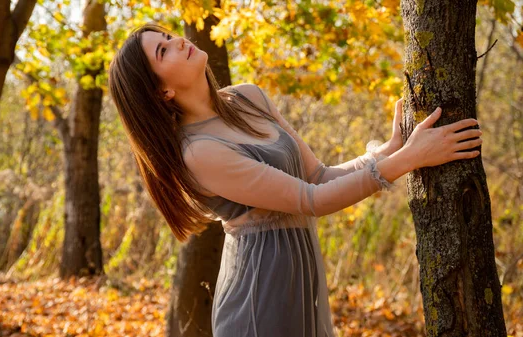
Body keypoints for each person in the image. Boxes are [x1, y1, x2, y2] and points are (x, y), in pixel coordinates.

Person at [107, 23, 482, 337]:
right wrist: (409, 159)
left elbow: (318, 176)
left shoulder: (248, 98)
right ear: (162, 92)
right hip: (258, 300)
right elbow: (313, 201)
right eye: (163, 51)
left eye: (169, 36)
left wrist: (389, 150)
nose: (178, 42)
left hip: (303, 283)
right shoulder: (198, 151)